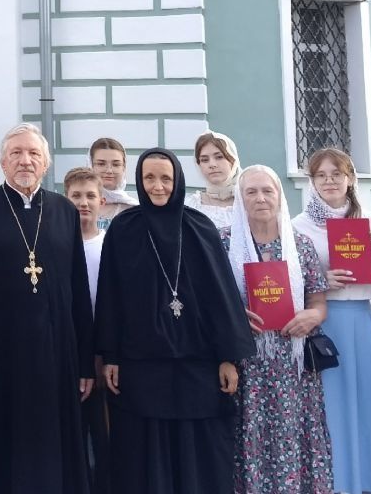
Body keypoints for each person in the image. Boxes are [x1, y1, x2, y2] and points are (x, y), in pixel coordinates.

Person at [0, 122, 94, 493]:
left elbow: (78, 291)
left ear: (45, 163)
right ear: (3, 163)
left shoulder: (63, 211)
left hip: (55, 357)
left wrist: (85, 362)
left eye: (33, 154)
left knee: (49, 449)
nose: (25, 161)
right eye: (16, 153)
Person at [96, 149, 255, 494]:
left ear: (178, 180)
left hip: (197, 368)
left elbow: (220, 296)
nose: (157, 186)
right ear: (139, 181)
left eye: (165, 178)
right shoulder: (124, 228)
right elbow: (111, 294)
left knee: (199, 452)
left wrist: (228, 357)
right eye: (149, 178)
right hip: (142, 367)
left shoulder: (199, 228)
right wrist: (110, 355)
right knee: (143, 454)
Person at [292, 147, 371, 494]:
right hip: (325, 324)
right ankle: (336, 483)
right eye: (321, 175)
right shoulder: (298, 225)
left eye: (336, 174)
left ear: (350, 178)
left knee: (369, 403)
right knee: (331, 407)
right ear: (311, 181)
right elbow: (295, 282)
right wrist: (324, 279)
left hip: (361, 320)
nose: (329, 182)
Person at [222, 165, 333, 494]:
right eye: (251, 192)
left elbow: (319, 302)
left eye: (267, 191)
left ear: (279, 196)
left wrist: (311, 318)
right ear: (240, 200)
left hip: (292, 364)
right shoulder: (224, 244)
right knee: (248, 436)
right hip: (247, 363)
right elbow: (211, 302)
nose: (260, 198)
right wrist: (233, 314)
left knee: (291, 434)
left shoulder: (301, 245)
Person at [65, 165, 109, 494]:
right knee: (73, 435)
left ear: (102, 202)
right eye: (76, 196)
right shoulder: (58, 246)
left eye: (90, 196)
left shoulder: (109, 244)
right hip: (68, 350)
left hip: (103, 350)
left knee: (105, 434)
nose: (84, 202)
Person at [185, 130, 240, 231]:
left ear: (232, 161)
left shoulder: (247, 203)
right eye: (204, 160)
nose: (212, 164)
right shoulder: (191, 206)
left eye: (219, 157)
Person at [89, 137, 135, 231]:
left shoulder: (133, 210)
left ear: (124, 168)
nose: (109, 170)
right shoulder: (75, 206)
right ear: (90, 166)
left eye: (116, 164)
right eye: (101, 164)